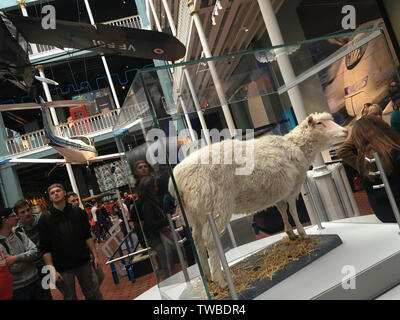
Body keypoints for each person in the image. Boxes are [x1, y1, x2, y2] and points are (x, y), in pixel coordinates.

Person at [38, 183, 103, 300]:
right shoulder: (45, 219)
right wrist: (52, 270)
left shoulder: (78, 212)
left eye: (58, 191)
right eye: (52, 193)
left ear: (64, 193)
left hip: (83, 261)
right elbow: (45, 247)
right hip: (61, 267)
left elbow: (87, 236)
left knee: (93, 293)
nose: (55, 193)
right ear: (50, 198)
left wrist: (95, 255)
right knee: (69, 297)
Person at [337, 116, 400, 223]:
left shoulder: (363, 163)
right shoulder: (396, 154)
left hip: (383, 214)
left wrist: (358, 134)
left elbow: (343, 151)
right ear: (384, 129)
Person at [0, 208, 50, 300]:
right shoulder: (1, 244)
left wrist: (16, 258)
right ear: (5, 220)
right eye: (13, 216)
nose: (17, 217)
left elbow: (35, 252)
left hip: (36, 280)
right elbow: (14, 268)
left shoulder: (20, 235)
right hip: (18, 289)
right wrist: (27, 257)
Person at [13, 200, 53, 299]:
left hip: (51, 263)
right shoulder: (18, 232)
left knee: (65, 289)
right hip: (36, 270)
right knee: (45, 294)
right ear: (17, 216)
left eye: (28, 210)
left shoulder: (43, 221)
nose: (27, 213)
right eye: (22, 212)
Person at [137, 176, 172, 280]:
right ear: (151, 187)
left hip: (155, 236)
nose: (157, 186)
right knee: (165, 263)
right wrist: (168, 219)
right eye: (155, 185)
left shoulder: (151, 201)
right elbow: (151, 223)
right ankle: (169, 283)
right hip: (155, 237)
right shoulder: (148, 203)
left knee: (165, 261)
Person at [130, 160, 151, 250]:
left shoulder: (157, 182)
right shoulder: (138, 188)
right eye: (140, 167)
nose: (143, 169)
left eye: (145, 166)